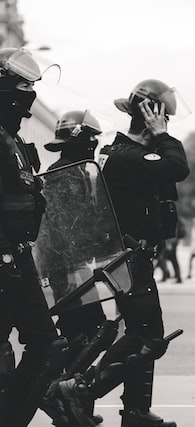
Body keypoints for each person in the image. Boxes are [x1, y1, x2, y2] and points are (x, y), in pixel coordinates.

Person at [56, 79, 190, 427]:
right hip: (128, 259)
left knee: (145, 331)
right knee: (148, 334)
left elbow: (166, 180)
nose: (168, 127)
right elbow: (178, 167)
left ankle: (135, 411)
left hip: (137, 256)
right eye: (164, 119)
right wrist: (161, 134)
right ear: (151, 116)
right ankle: (81, 390)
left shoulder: (135, 156)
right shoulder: (127, 156)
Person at [0, 47, 69, 427]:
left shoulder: (12, 140)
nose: (28, 95)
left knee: (49, 346)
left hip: (19, 257)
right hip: (4, 258)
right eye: (21, 86)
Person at [39, 110, 108, 426]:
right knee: (90, 333)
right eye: (92, 137)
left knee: (85, 332)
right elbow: (67, 227)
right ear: (81, 139)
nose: (95, 143)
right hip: (67, 267)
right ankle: (54, 392)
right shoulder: (64, 174)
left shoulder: (76, 170)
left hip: (74, 264)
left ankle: (72, 405)